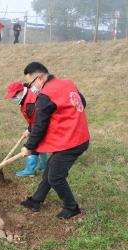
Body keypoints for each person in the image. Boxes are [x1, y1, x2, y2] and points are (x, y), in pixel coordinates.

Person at [20, 62, 90, 219]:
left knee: (56, 177)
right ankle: (36, 200)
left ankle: (72, 207)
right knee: (51, 168)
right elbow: (82, 103)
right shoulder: (68, 83)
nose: (31, 88)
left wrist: (29, 147)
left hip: (71, 142)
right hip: (77, 136)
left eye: (30, 84)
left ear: (39, 78)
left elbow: (39, 126)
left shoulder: (45, 96)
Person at [4, 81, 48, 176]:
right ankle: (44, 164)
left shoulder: (31, 104)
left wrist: (28, 146)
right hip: (40, 123)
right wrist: (29, 129)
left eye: (14, 96)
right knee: (39, 143)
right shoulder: (27, 96)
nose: (13, 99)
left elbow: (38, 123)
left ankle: (30, 169)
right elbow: (34, 119)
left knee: (34, 145)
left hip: (43, 125)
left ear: (20, 92)